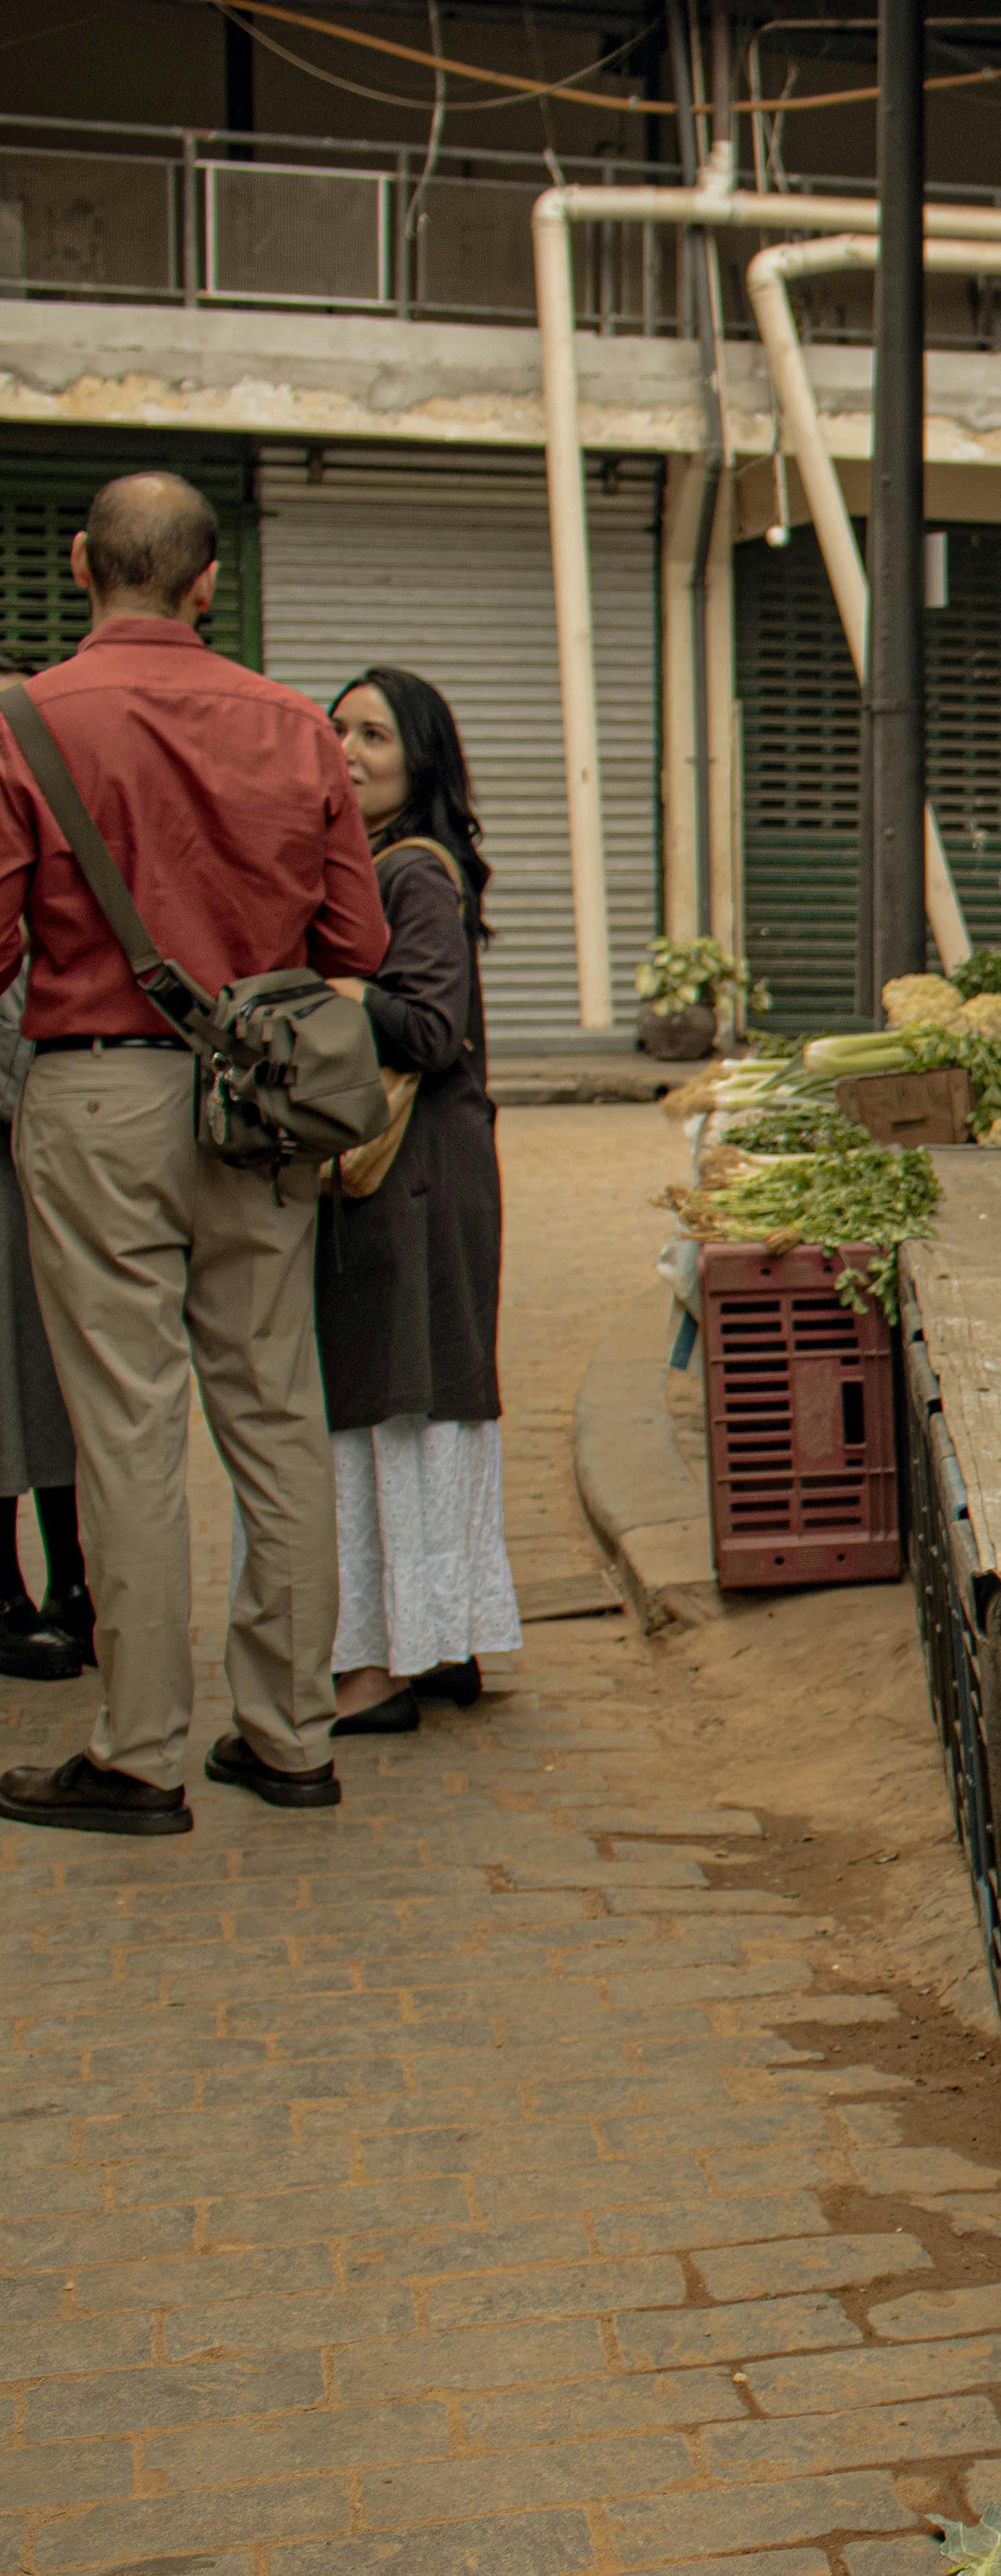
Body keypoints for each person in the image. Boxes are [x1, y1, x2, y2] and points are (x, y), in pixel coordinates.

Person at [0, 471, 390, 1836]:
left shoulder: (24, 719)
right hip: (259, 1104)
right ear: (209, 580)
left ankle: (141, 1751)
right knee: (276, 1413)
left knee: (126, 1426)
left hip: (95, 1097)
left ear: (79, 565)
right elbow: (357, 950)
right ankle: (291, 1736)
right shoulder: (295, 725)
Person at [317, 667, 520, 1737]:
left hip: (413, 1179)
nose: (348, 750)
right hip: (425, 1176)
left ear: (419, 760)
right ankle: (437, 1642)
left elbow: (434, 1032)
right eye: (338, 728)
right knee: (419, 1404)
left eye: (375, 736)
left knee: (395, 1401)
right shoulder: (378, 867)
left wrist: (342, 995)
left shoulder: (411, 876)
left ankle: (381, 1672)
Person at [0, 959, 90, 1686]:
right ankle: (6, 1593)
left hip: (55, 1160)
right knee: (11, 1376)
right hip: (26, 1148)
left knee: (57, 1379)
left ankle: (73, 1583)